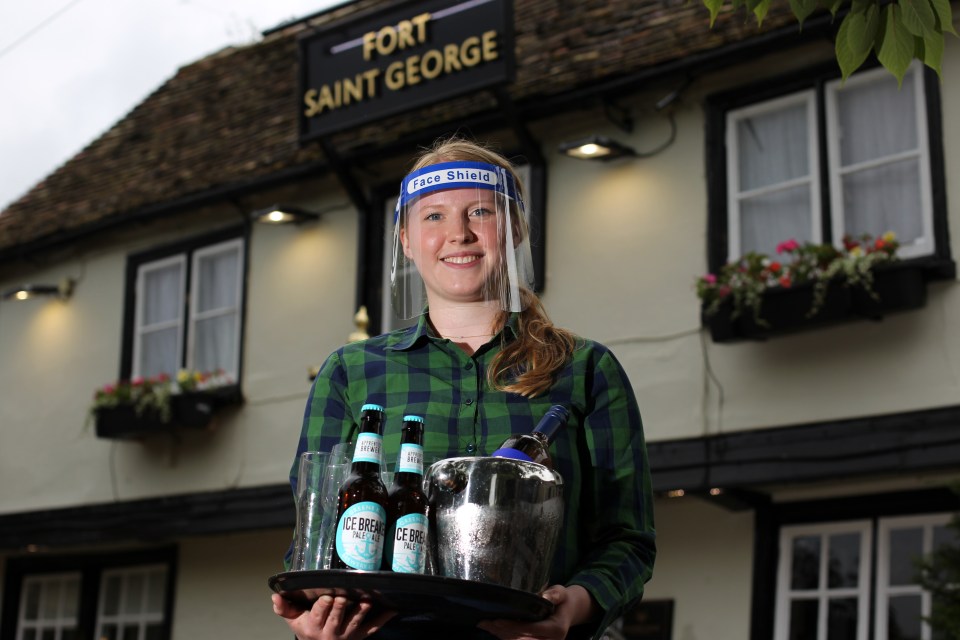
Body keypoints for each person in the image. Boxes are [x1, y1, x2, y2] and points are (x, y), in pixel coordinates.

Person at [272, 137, 656, 640]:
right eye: (432, 217)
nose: (458, 233)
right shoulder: (349, 371)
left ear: (515, 229)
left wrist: (575, 605)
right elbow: (317, 527)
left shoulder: (585, 368)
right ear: (406, 240)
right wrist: (312, 618)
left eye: (479, 211)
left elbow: (627, 539)